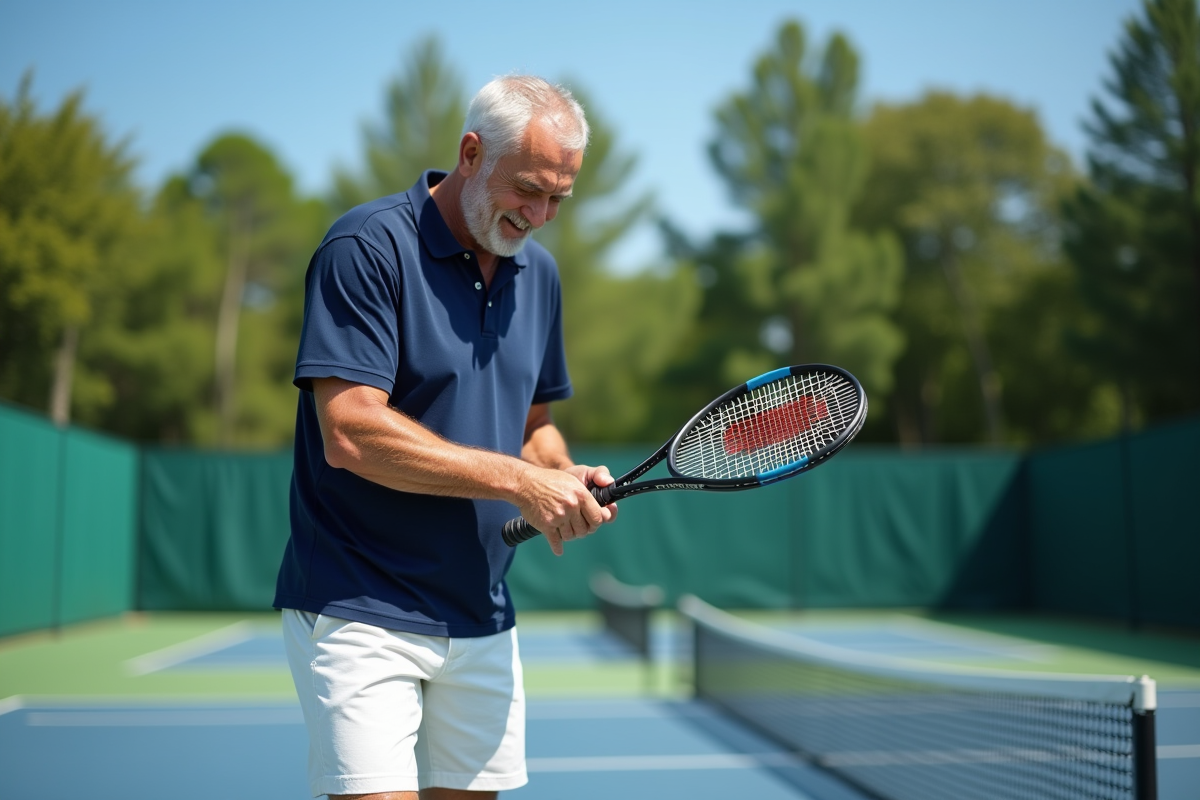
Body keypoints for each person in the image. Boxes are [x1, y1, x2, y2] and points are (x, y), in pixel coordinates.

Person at [273, 75, 616, 800]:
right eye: (528, 188)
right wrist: (522, 482)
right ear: (470, 153)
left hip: (484, 612)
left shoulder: (541, 276)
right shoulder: (365, 247)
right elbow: (351, 432)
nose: (542, 213)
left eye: (559, 197)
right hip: (361, 601)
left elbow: (535, 427)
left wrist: (561, 474)